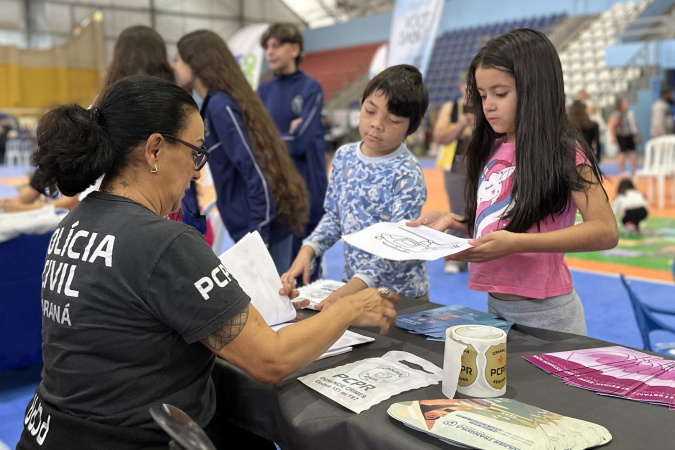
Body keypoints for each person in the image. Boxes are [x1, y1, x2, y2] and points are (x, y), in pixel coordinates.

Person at [17, 76, 397, 450]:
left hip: (46, 431)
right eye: (195, 151)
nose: (197, 170)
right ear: (154, 150)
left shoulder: (75, 221)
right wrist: (349, 307)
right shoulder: (163, 242)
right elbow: (272, 360)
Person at [408, 29, 618, 335]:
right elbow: (502, 224)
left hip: (549, 315)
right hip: (496, 309)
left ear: (535, 89)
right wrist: (455, 221)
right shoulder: (492, 147)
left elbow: (605, 230)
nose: (488, 105)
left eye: (500, 94)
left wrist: (515, 243)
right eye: (481, 96)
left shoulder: (564, 149)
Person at [282, 64, 430, 305]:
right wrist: (309, 249)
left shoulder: (407, 173)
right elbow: (335, 217)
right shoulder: (344, 157)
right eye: (370, 111)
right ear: (361, 103)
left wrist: (347, 291)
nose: (377, 124)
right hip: (352, 290)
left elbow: (398, 247)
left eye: (393, 120)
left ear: (413, 125)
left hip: (399, 298)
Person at [173, 30, 309, 274]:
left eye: (178, 59)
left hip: (262, 230)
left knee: (275, 309)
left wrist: (259, 236)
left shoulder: (220, 106)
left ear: (196, 62)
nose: (175, 66)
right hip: (252, 228)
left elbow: (256, 169)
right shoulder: (211, 106)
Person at [258, 23, 328, 279]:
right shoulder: (263, 90)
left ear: (295, 48)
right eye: (267, 47)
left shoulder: (311, 88)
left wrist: (271, 140)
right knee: (278, 279)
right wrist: (285, 135)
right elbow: (255, 141)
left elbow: (299, 142)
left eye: (276, 45)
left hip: (309, 192)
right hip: (277, 197)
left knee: (305, 279)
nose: (269, 52)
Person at [433, 77, 474, 274]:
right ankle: (456, 257)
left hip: (483, 164)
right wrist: (461, 125)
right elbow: (439, 137)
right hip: (457, 163)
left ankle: (479, 255)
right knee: (458, 209)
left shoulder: (488, 107)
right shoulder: (451, 108)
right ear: (461, 87)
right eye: (468, 85)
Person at [567, 90, 600, 162]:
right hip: (586, 155)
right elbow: (597, 143)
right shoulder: (592, 125)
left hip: (573, 159)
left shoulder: (568, 127)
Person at [608, 97, 638, 175]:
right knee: (622, 152)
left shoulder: (627, 113)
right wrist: (613, 137)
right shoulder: (617, 113)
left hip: (629, 135)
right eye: (625, 103)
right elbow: (611, 125)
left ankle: (634, 170)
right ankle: (621, 170)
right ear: (620, 104)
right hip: (622, 136)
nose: (626, 105)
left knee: (633, 152)